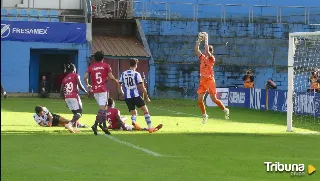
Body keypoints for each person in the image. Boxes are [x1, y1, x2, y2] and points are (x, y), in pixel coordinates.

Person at [119, 58, 163, 133]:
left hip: (127, 97)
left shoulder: (124, 73)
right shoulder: (136, 74)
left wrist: (122, 92)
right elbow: (142, 87)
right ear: (136, 65)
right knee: (145, 111)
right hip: (135, 96)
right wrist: (147, 97)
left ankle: (133, 121)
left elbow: (119, 83)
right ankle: (150, 128)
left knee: (134, 112)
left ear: (130, 64)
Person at [195, 32, 229, 124]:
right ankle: (204, 115)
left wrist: (206, 38)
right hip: (202, 80)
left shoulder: (212, 58)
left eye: (206, 51)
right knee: (199, 99)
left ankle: (225, 109)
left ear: (209, 52)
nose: (205, 52)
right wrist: (199, 40)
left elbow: (206, 49)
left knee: (213, 99)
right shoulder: (202, 58)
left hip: (210, 80)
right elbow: (196, 49)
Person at [84, 51, 119, 135]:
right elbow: (110, 77)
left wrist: (88, 85)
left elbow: (85, 77)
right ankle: (95, 125)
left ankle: (104, 126)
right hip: (103, 89)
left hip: (95, 90)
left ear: (95, 59)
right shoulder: (106, 66)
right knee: (102, 109)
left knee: (104, 108)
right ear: (103, 58)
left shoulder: (91, 67)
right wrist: (116, 80)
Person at [60, 63, 89, 131]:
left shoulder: (65, 78)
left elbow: (61, 91)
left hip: (67, 97)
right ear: (74, 69)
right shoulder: (76, 75)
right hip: (74, 96)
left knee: (75, 114)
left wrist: (65, 100)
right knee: (79, 113)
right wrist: (85, 91)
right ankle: (69, 124)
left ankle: (75, 127)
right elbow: (79, 85)